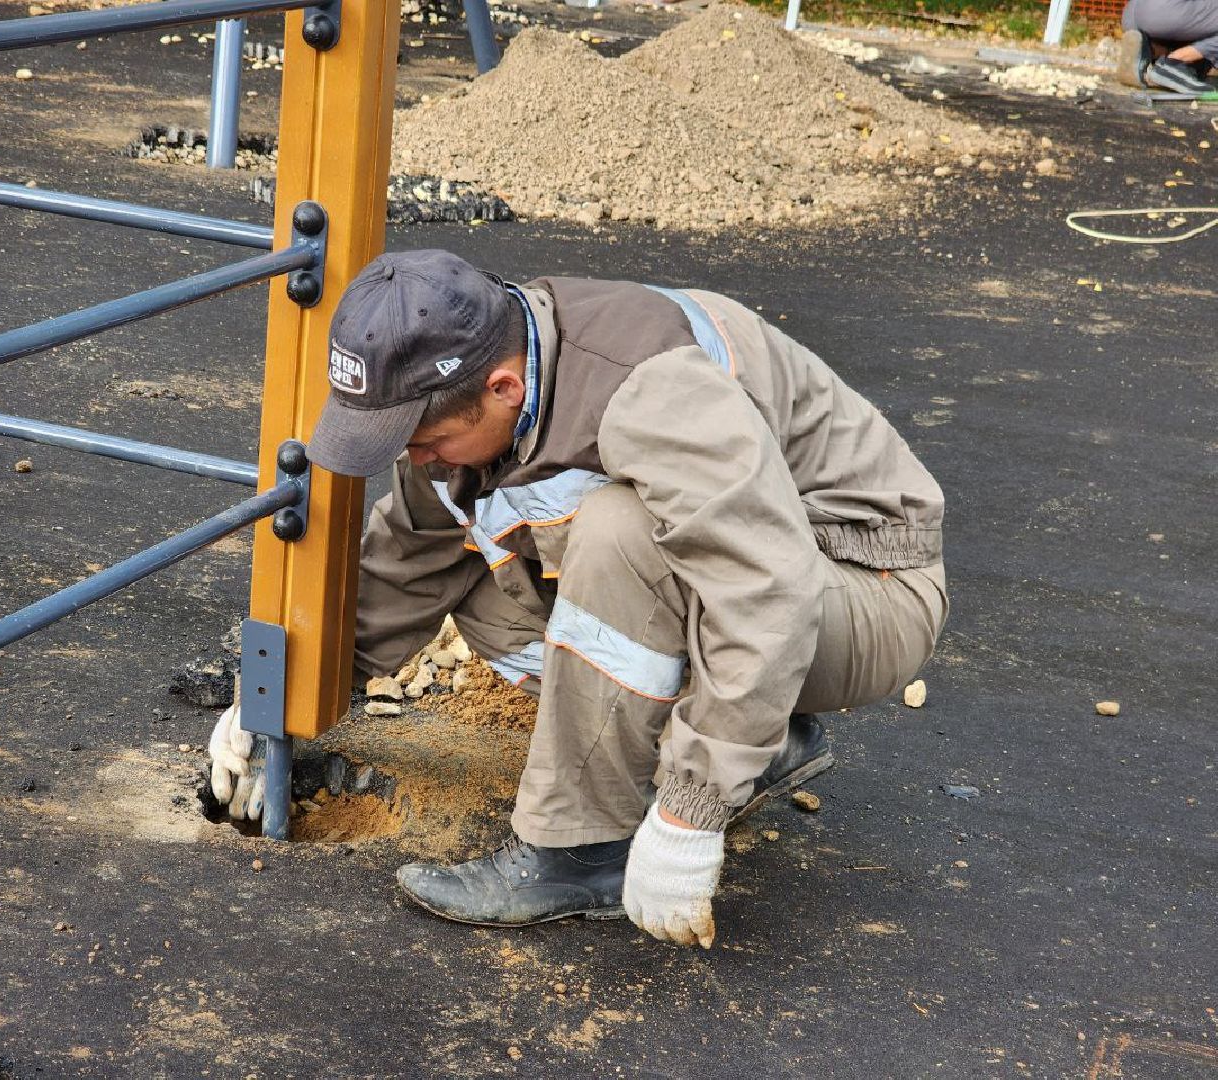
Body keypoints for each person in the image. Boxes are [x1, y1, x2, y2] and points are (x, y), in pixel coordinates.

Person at [209, 249, 948, 948]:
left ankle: (581, 852)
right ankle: (759, 737)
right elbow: (406, 566)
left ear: (504, 389)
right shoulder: (482, 380)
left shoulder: (648, 394)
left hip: (859, 586)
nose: (414, 457)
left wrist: (693, 811)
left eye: (423, 438)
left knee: (618, 533)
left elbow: (766, 590)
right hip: (757, 586)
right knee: (483, 579)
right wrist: (281, 700)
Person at [1119, 0, 1218, 93]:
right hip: (1164, 13)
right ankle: (1175, 62)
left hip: (1131, 14)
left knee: (1205, 30)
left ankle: (1149, 50)